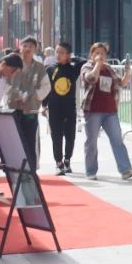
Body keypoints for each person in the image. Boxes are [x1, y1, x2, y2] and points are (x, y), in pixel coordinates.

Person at [80, 42, 132, 181]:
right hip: (93, 110)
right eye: (97, 53)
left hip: (110, 110)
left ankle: (125, 169)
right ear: (91, 55)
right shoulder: (87, 67)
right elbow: (91, 78)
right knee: (91, 141)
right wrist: (97, 64)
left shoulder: (109, 68)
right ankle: (91, 171)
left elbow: (121, 83)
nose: (100, 55)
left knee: (117, 139)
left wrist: (127, 72)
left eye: (103, 53)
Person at [6, 36, 52, 166]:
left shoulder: (39, 67)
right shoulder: (13, 64)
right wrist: (13, 94)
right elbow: (5, 83)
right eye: (25, 46)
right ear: (20, 47)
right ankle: (16, 167)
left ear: (35, 49)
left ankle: (31, 167)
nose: (27, 49)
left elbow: (46, 86)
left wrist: (35, 96)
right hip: (13, 108)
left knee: (31, 139)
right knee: (15, 139)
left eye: (31, 47)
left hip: (31, 109)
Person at [45, 42, 84, 174]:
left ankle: (67, 160)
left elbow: (83, 62)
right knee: (56, 136)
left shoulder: (73, 69)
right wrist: (43, 105)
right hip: (54, 107)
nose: (58, 55)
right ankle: (59, 162)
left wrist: (71, 59)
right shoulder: (50, 69)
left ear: (68, 55)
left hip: (69, 108)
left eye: (62, 52)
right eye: (57, 52)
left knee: (70, 136)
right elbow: (46, 88)